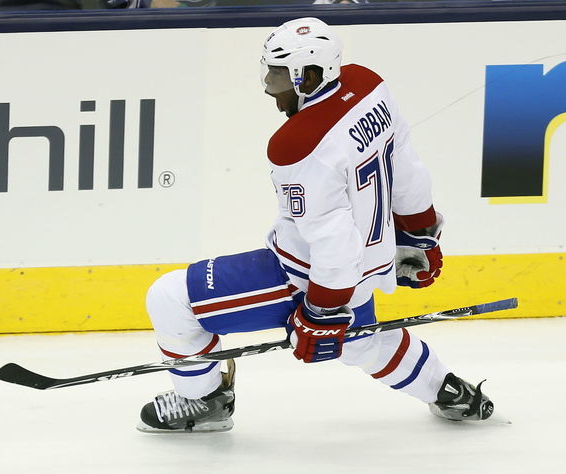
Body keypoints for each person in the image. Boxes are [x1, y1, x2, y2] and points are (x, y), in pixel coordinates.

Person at [137, 17, 494, 433]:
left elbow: (332, 238)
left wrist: (321, 310)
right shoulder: (367, 86)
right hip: (363, 265)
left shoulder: (298, 144)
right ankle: (446, 389)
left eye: (278, 77)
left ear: (308, 76)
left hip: (310, 275)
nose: (271, 89)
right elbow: (409, 172)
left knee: (169, 300)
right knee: (359, 342)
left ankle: (204, 402)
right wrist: (420, 236)